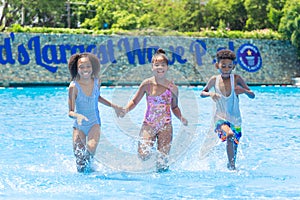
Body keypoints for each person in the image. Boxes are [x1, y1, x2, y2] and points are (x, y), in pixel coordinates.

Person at [121, 48, 188, 172]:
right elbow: (135, 101)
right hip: (149, 124)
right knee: (143, 154)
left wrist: (181, 118)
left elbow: (174, 107)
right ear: (152, 67)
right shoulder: (146, 84)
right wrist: (125, 110)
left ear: (167, 67)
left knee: (162, 162)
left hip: (166, 126)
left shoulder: (172, 87)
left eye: (163, 65)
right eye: (156, 65)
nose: (160, 67)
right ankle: (148, 164)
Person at [68, 52, 123, 173]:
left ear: (93, 67)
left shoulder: (97, 81)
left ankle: (93, 171)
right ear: (76, 69)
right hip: (79, 126)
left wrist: (114, 106)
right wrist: (78, 115)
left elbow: (96, 97)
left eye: (88, 66)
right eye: (81, 67)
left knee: (90, 150)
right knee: (80, 163)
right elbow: (70, 112)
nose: (85, 69)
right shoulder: (74, 87)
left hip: (94, 123)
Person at [200, 49, 255, 170]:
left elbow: (252, 95)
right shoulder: (214, 80)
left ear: (233, 66)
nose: (226, 68)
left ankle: (230, 166)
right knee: (229, 134)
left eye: (229, 66)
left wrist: (244, 91)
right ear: (217, 65)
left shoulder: (236, 79)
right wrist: (210, 94)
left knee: (234, 146)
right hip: (220, 119)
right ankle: (233, 167)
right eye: (223, 65)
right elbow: (202, 93)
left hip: (235, 120)